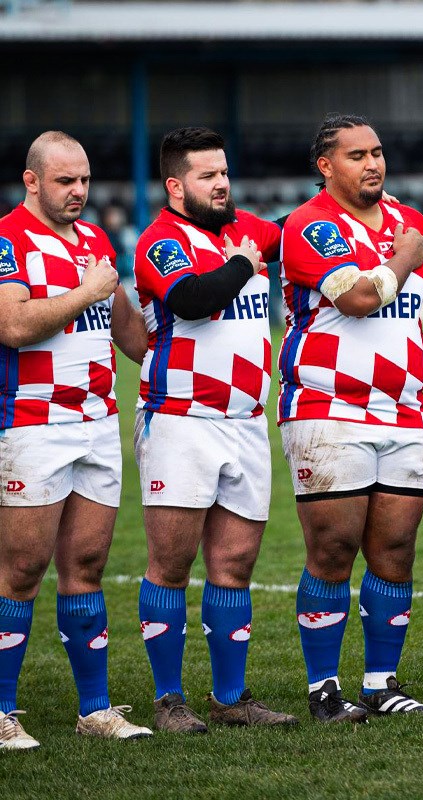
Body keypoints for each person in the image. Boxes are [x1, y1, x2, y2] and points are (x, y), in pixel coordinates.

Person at [132, 127, 297, 733]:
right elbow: (194, 300)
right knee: (170, 564)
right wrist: (242, 262)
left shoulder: (249, 228)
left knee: (235, 563)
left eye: (224, 172)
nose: (222, 183)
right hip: (181, 422)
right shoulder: (160, 241)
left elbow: (299, 226)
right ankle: (169, 699)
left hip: (247, 423)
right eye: (207, 175)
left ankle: (232, 698)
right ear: (177, 185)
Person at [279, 114, 423, 723]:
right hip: (327, 409)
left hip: (405, 411)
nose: (373, 164)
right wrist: (403, 259)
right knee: (334, 547)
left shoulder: (409, 220)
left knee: (395, 548)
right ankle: (324, 688)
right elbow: (360, 298)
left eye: (377, 152)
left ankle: (381, 683)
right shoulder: (309, 225)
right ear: (327, 166)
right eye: (356, 155)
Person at [0, 131, 151, 749]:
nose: (78, 192)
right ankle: (3, 710)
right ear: (32, 180)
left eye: (84, 180)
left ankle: (95, 708)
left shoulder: (94, 239)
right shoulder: (7, 238)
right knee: (21, 570)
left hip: (96, 423)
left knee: (85, 567)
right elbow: (11, 325)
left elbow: (130, 336)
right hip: (31, 424)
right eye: (65, 181)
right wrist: (87, 291)